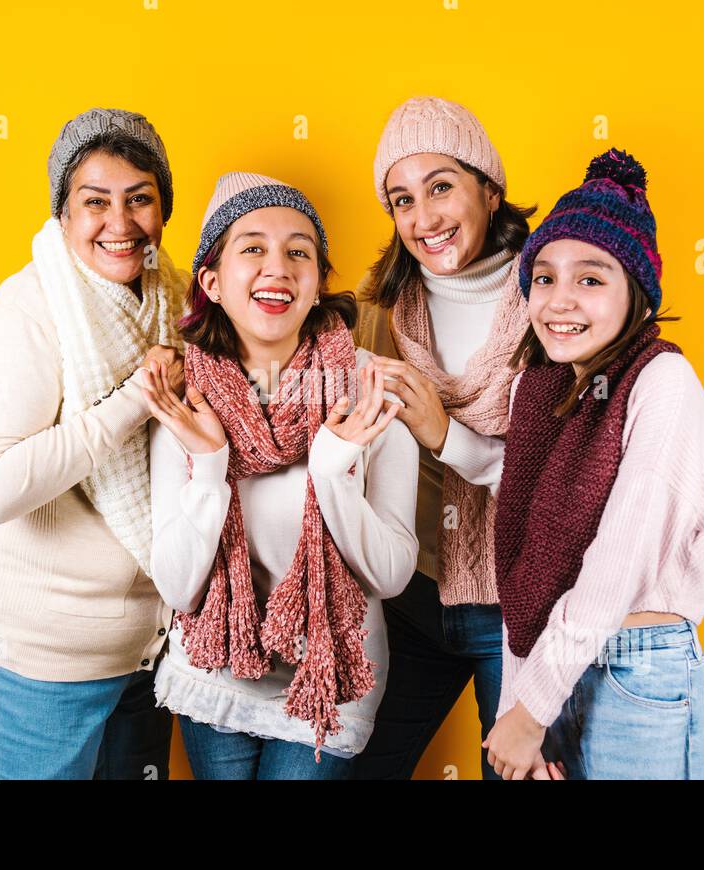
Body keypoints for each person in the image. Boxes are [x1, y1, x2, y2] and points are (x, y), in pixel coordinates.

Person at [439, 148, 704, 779]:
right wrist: (522, 705)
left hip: (636, 668)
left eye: (591, 278)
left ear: (637, 292)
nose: (559, 300)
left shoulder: (664, 382)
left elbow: (617, 560)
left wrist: (530, 711)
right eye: (543, 278)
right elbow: (523, 559)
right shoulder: (542, 391)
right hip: (558, 666)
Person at [141, 172, 419, 779]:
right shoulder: (185, 399)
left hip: (331, 682)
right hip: (215, 672)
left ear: (318, 284)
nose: (279, 267)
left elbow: (392, 575)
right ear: (212, 282)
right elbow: (179, 587)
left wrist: (332, 468)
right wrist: (212, 465)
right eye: (252, 248)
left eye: (300, 252)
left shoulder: (370, 391)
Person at [0, 108, 188, 779]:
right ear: (63, 214)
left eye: (139, 199)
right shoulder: (28, 306)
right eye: (95, 202)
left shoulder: (171, 300)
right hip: (39, 664)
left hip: (149, 655)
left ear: (162, 210)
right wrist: (135, 402)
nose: (120, 223)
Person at [350, 96, 537, 779]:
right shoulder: (382, 315)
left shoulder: (551, 296)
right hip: (414, 599)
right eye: (401, 200)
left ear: (490, 190)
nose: (422, 218)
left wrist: (444, 433)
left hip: (519, 609)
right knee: (357, 767)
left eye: (441, 188)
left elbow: (566, 479)